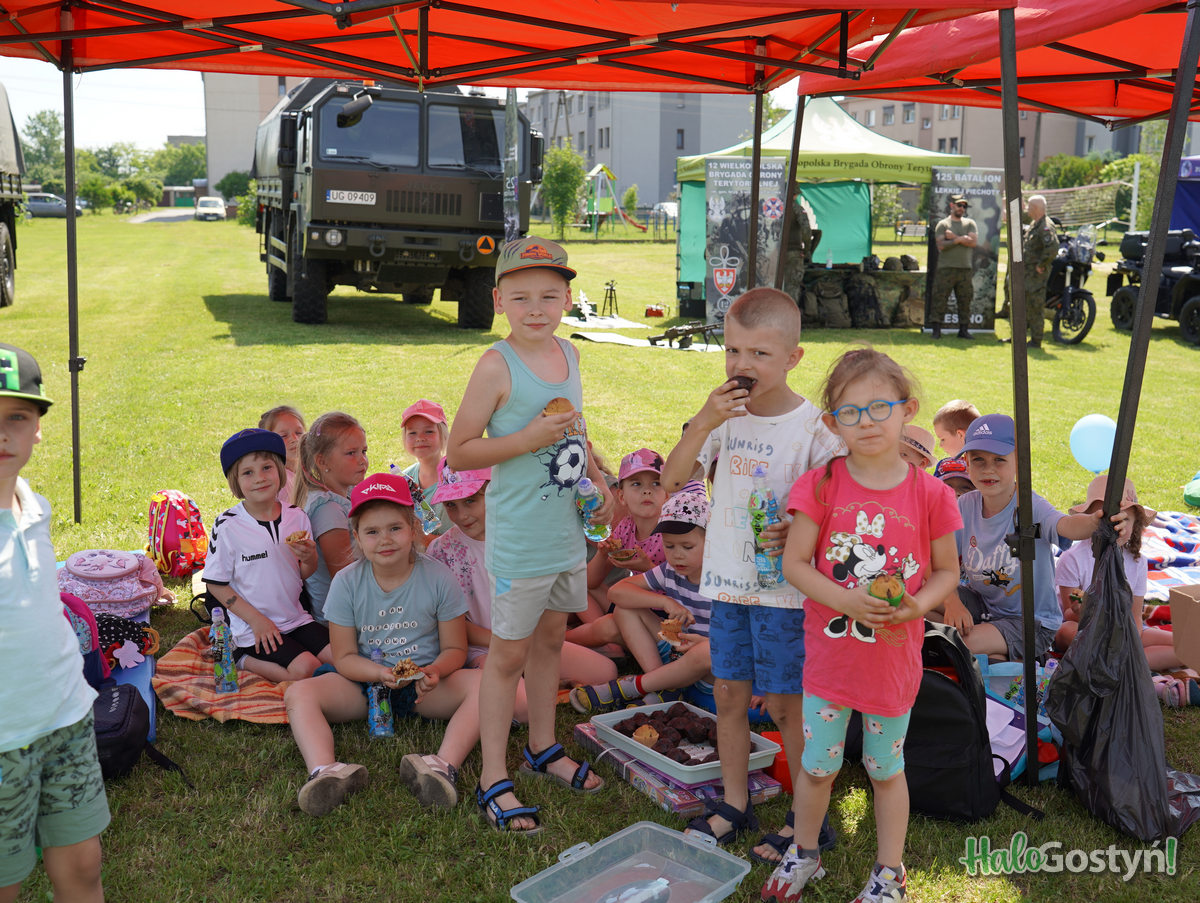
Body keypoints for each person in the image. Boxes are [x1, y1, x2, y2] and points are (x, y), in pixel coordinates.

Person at [762, 346, 962, 903]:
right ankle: (804, 853)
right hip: (831, 665)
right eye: (850, 412)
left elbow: (948, 571)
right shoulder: (821, 485)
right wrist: (848, 602)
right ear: (832, 423)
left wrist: (918, 607)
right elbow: (795, 564)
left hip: (892, 667)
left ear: (907, 410)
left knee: (885, 769)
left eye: (879, 408)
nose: (866, 422)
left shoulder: (931, 493)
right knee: (817, 768)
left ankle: (890, 873)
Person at [661, 286, 842, 858]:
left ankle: (806, 817)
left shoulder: (815, 429)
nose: (743, 365)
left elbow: (837, 510)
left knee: (787, 706)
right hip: (729, 587)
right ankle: (734, 804)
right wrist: (702, 422)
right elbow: (672, 480)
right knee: (729, 697)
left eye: (760, 354)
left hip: (787, 594)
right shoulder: (722, 417)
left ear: (793, 358)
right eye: (733, 351)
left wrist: (800, 529)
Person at [447, 236, 610, 835]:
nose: (535, 308)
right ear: (498, 301)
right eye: (520, 297)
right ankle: (493, 776)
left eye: (548, 295)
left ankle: (543, 746)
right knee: (508, 657)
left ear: (567, 299)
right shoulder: (497, 365)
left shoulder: (569, 353)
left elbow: (575, 428)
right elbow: (459, 452)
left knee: (550, 642)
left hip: (564, 532)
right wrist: (525, 440)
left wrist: (598, 477)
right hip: (520, 539)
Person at [283, 474, 486, 816]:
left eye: (395, 528)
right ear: (357, 537)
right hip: (363, 686)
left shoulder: (438, 577)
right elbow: (345, 656)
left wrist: (435, 671)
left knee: (485, 685)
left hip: (424, 688)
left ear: (413, 528)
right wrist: (378, 673)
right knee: (298, 694)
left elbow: (456, 648)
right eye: (372, 532)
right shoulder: (347, 582)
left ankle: (441, 766)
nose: (385, 540)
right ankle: (326, 771)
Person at [1, 343, 110, 903]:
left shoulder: (35, 507)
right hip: (3, 738)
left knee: (84, 863)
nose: (2, 434)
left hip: (66, 718)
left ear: (38, 429)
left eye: (16, 417)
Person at [940, 415, 1134, 662]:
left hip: (1031, 623)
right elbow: (940, 560)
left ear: (1019, 462)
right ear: (967, 462)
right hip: (983, 605)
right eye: (979, 460)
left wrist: (1095, 522)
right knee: (921, 599)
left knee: (960, 643)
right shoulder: (965, 505)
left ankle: (1015, 657)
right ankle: (1001, 658)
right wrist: (952, 603)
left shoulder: (1031, 506)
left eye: (999, 459)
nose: (988, 469)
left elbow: (1066, 525)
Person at [425, 458, 616, 686]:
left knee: (605, 672)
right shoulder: (442, 551)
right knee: (507, 689)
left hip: (532, 640)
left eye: (470, 501)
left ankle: (542, 678)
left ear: (496, 490)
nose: (462, 515)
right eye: (451, 505)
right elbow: (451, 623)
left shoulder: (523, 534)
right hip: (482, 647)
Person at [569, 484, 715, 713]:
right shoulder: (670, 570)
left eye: (687, 546)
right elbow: (616, 592)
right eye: (669, 546)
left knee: (708, 651)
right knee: (625, 609)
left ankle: (635, 686)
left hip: (711, 667)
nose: (677, 554)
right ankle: (663, 685)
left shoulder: (724, 580)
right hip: (678, 651)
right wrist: (665, 602)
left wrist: (706, 644)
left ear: (712, 543)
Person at [204, 429, 329, 683]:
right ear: (236, 481)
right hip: (252, 627)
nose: (259, 478)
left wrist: (309, 558)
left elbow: (302, 573)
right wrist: (257, 621)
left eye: (267, 468)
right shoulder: (228, 525)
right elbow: (215, 583)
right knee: (307, 669)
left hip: (295, 617)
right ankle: (240, 657)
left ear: (280, 471)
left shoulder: (297, 516)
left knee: (341, 657)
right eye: (248, 473)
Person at [1054, 476, 1182, 670]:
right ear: (1090, 519)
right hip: (1085, 631)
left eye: (1124, 519)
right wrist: (1080, 611)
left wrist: (1129, 640)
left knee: (1183, 644)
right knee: (1066, 631)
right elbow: (1068, 615)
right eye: (1106, 519)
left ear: (1136, 523)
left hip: (1122, 630)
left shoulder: (1138, 561)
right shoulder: (1072, 559)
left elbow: (1135, 616)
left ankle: (1123, 664)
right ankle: (1128, 666)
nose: (1115, 527)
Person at [570, 447, 670, 642]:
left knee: (608, 625)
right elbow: (591, 583)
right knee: (578, 580)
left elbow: (684, 587)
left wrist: (647, 568)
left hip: (665, 613)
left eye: (656, 483)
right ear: (621, 497)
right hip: (634, 603)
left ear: (666, 495)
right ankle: (561, 639)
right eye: (637, 484)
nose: (647, 490)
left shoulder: (670, 532)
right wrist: (603, 554)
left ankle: (559, 641)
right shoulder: (626, 527)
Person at [292, 411, 369, 621]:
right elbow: (344, 578)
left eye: (364, 451)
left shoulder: (348, 492)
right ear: (322, 461)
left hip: (361, 598)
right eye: (351, 453)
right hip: (344, 617)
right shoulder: (328, 510)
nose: (362, 460)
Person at [929, 194, 977, 340]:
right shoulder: (943, 224)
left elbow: (973, 242)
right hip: (946, 268)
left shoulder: (970, 223)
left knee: (965, 300)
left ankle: (963, 330)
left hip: (965, 269)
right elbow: (941, 245)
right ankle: (936, 330)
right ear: (952, 206)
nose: (962, 208)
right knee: (939, 299)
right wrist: (961, 240)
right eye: (959, 205)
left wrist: (955, 238)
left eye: (964, 206)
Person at [400, 399, 452, 533]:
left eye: (428, 431)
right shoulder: (404, 479)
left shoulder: (455, 478)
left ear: (442, 434)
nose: (420, 438)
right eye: (412, 433)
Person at [1021, 195, 1059, 348]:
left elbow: (1053, 248)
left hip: (1036, 276)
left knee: (1035, 306)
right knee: (1023, 305)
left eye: (1028, 206)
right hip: (1027, 273)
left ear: (1035, 208)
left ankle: (1036, 340)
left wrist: (1042, 264)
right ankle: (1019, 336)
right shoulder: (1034, 223)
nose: (1026, 209)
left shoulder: (1045, 226)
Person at [259, 405, 306, 505]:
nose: (295, 439)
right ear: (267, 443)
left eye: (299, 433)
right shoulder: (280, 483)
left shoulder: (309, 470)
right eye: (284, 436)